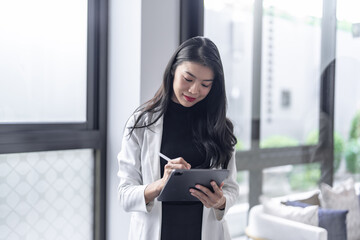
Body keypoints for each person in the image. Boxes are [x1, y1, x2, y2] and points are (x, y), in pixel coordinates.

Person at [117, 36, 239, 240]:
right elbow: (124, 195)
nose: (194, 90)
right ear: (173, 69)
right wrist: (161, 184)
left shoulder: (220, 127)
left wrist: (220, 202)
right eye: (188, 79)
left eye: (205, 84)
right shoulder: (141, 123)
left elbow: (232, 188)